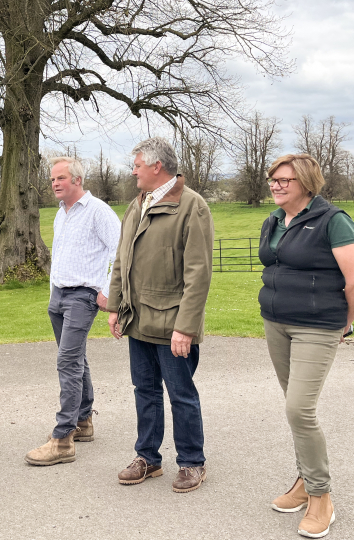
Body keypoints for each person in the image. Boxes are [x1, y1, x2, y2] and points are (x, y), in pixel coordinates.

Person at [258, 155, 354, 538]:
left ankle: (321, 495)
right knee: (295, 410)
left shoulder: (333, 221)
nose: (275, 185)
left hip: (317, 327)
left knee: (298, 409)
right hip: (276, 324)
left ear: (306, 183)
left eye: (284, 180)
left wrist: (346, 323)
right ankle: (304, 483)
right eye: (273, 179)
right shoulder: (273, 220)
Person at [106, 137, 214, 493]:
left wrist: (185, 327)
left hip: (172, 324)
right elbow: (123, 260)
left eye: (137, 165)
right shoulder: (137, 204)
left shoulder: (191, 206)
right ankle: (147, 458)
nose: (133, 171)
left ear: (156, 167)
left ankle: (191, 462)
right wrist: (115, 307)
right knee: (145, 391)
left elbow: (198, 272)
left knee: (181, 393)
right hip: (138, 319)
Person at [25, 156, 120, 466]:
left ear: (77, 180)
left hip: (83, 295)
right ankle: (83, 421)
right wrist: (53, 288)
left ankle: (63, 438)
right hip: (59, 295)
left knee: (67, 361)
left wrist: (107, 289)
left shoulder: (98, 212)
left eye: (61, 178)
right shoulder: (61, 214)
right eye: (52, 179)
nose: (54, 183)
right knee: (76, 358)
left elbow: (119, 250)